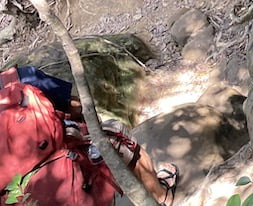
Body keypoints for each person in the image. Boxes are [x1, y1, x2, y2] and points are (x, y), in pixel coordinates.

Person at [11, 65, 179, 206]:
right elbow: (75, 106)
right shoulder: (21, 78)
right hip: (64, 161)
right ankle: (161, 196)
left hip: (17, 193)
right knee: (116, 132)